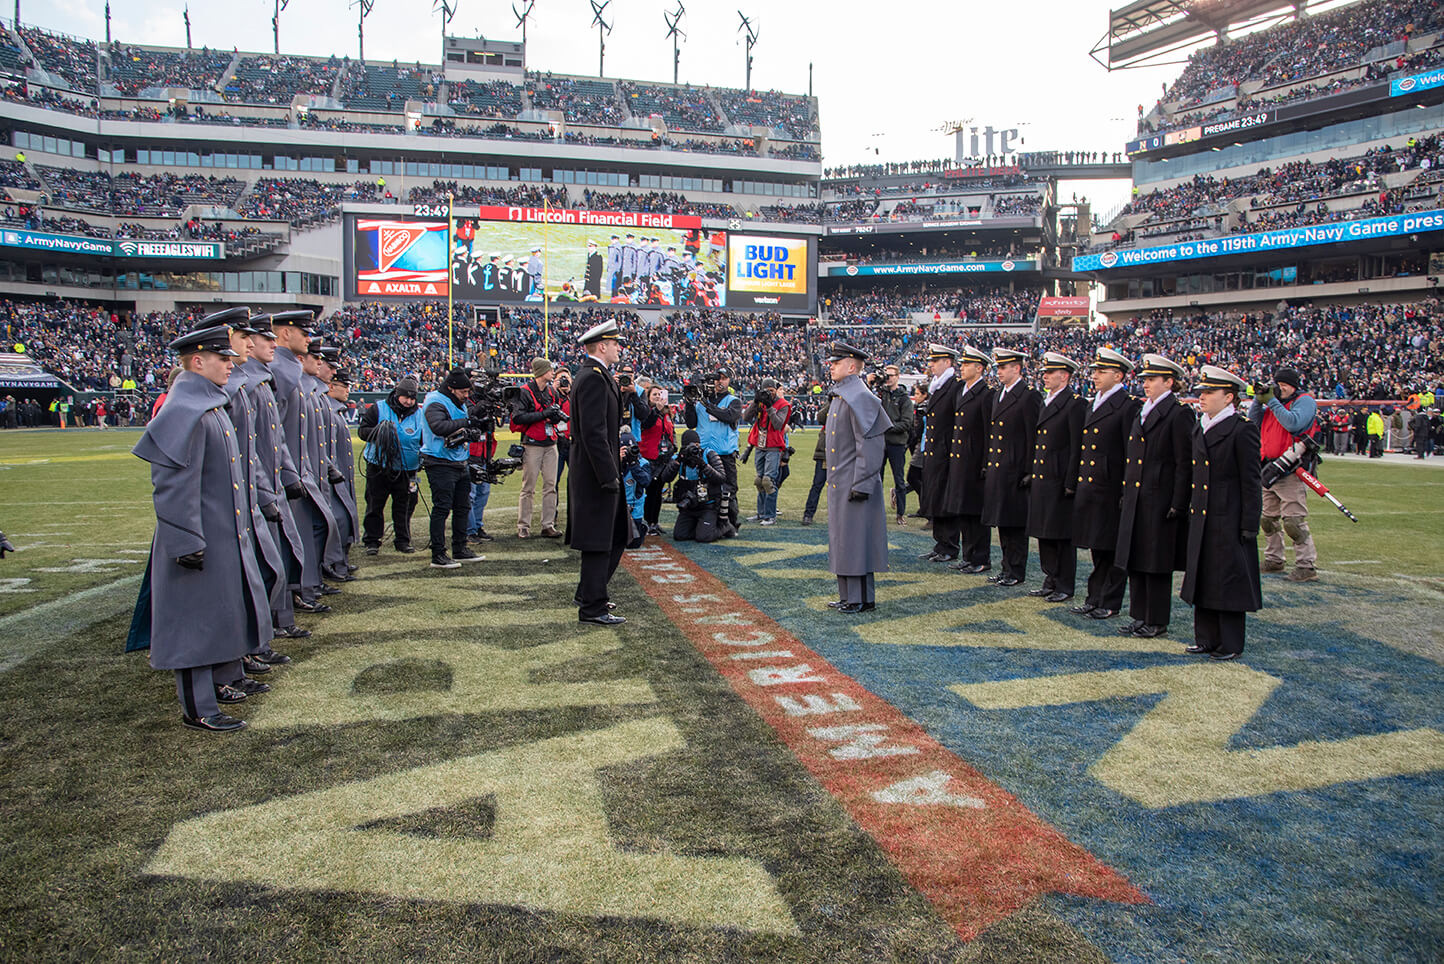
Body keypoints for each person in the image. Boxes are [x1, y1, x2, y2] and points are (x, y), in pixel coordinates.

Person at [129, 323, 270, 733]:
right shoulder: (183, 411)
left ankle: (222, 681)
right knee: (194, 622)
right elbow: (172, 483)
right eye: (222, 359)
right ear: (197, 361)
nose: (230, 365)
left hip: (222, 533)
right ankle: (198, 707)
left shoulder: (208, 405)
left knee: (222, 612)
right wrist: (186, 540)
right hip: (199, 538)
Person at [1181, 366, 1262, 660]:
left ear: (1229, 397)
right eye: (1201, 392)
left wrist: (1249, 523)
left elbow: (1251, 481)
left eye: (1209, 392)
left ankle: (1229, 642)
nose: (1201, 397)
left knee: (1227, 579)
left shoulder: (1242, 430)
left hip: (1229, 516)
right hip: (1203, 514)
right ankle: (1205, 638)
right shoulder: (1200, 425)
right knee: (1203, 576)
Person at [1115, 354, 1192, 639]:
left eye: (1152, 379)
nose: (1146, 384)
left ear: (1169, 382)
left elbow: (1184, 463)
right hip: (1138, 494)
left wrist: (1178, 502)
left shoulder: (1178, 412)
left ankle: (1156, 619)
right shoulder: (1143, 409)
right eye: (1145, 379)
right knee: (1136, 557)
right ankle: (1139, 615)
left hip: (1161, 498)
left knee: (1156, 561)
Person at [270, 311, 340, 615]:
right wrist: (290, 472)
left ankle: (304, 589)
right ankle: (294, 598)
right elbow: (275, 433)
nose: (308, 339)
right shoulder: (281, 373)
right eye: (304, 332)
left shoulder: (291, 375)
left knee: (307, 533)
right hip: (286, 476)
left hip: (301, 471)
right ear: (286, 333)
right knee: (290, 540)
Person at [566, 319, 630, 626]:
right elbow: (594, 433)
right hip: (596, 475)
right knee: (600, 540)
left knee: (618, 534)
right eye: (615, 343)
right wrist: (608, 475)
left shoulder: (597, 375)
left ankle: (590, 592)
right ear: (602, 346)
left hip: (598, 471)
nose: (619, 348)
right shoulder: (592, 378)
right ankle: (592, 606)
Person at [1070, 347, 1141, 622]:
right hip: (1092, 486)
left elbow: (1129, 452)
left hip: (1110, 487)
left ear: (1118, 375)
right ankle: (1094, 597)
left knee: (1111, 548)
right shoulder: (1094, 402)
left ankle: (1109, 601)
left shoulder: (1127, 405)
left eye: (1101, 371)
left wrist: (1125, 489)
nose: (1095, 375)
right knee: (1097, 547)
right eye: (1094, 371)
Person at [823, 341, 892, 613]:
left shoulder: (859, 396)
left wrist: (862, 482)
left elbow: (871, 444)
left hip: (854, 481)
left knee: (854, 541)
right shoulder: (844, 394)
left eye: (836, 363)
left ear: (852, 366)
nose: (831, 366)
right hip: (843, 480)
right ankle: (848, 595)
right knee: (844, 540)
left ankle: (859, 598)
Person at [1250, 366, 1319, 581]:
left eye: (1285, 385)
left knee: (1293, 521)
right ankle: (1274, 559)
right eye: (1278, 385)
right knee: (1268, 519)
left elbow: (1294, 424)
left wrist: (1271, 401)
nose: (1281, 389)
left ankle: (1306, 566)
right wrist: (1258, 399)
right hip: (1268, 468)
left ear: (1294, 385)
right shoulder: (1275, 402)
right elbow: (1253, 422)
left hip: (1291, 468)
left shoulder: (1305, 401)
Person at [1026, 352, 1086, 603]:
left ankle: (1064, 584)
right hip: (1044, 476)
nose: (1045, 377)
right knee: (1045, 533)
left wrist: (1071, 482)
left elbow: (1076, 446)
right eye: (1044, 373)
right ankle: (1050, 579)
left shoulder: (1074, 404)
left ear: (1065, 376)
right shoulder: (1047, 401)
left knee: (1061, 536)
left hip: (1060, 479)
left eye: (1050, 373)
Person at [980, 348, 1041, 587]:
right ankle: (1006, 568)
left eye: (1004, 368)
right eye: (998, 368)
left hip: (1015, 470)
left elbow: (1032, 436)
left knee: (1015, 524)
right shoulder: (999, 395)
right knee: (1002, 522)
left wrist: (1028, 470)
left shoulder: (1028, 396)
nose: (1000, 372)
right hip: (999, 468)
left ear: (1017, 368)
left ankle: (1016, 570)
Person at [419, 367, 483, 569]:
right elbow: (438, 427)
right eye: (463, 392)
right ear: (451, 388)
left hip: (458, 460)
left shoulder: (456, 402)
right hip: (439, 461)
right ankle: (438, 553)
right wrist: (468, 421)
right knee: (442, 508)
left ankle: (460, 547)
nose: (466, 396)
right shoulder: (435, 401)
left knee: (463, 507)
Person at [357, 375, 423, 555]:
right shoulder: (379, 409)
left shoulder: (420, 414)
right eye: (406, 397)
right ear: (397, 394)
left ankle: (402, 540)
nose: (409, 401)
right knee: (375, 504)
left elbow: (425, 439)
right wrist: (379, 432)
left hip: (407, 468)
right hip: (379, 466)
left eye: (412, 398)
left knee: (404, 506)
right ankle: (372, 540)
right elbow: (362, 431)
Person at [946, 345, 996, 575]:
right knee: (963, 511)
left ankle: (981, 557)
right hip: (960, 461)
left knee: (976, 513)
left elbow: (988, 432)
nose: (962, 368)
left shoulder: (986, 394)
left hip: (975, 461)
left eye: (967, 365)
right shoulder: (962, 391)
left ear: (979, 368)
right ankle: (968, 555)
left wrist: (986, 463)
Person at [684, 368, 742, 531]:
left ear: (729, 381)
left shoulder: (733, 401)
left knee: (728, 490)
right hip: (703, 454)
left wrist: (706, 404)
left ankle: (731, 523)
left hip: (725, 454)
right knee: (702, 488)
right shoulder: (700, 401)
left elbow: (729, 416)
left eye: (724, 378)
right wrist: (689, 403)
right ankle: (707, 522)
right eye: (717, 379)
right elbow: (690, 423)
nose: (719, 382)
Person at [511, 357, 563, 539]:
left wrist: (555, 417)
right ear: (541, 372)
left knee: (551, 485)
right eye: (550, 370)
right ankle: (523, 525)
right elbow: (518, 417)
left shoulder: (551, 391)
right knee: (529, 486)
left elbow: (552, 415)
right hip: (532, 443)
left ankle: (547, 524)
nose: (553, 373)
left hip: (550, 442)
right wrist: (544, 414)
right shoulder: (524, 392)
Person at [918, 345, 961, 561]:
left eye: (936, 361)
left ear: (948, 362)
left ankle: (950, 545)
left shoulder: (954, 387)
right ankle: (940, 543)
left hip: (945, 451)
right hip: (935, 451)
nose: (931, 365)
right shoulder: (937, 386)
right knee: (936, 497)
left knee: (945, 499)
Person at [662, 429, 732, 542]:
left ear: (698, 445)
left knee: (704, 537)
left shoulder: (709, 454)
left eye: (693, 447)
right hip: (688, 506)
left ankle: (724, 527)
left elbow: (721, 478)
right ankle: (699, 526)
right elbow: (666, 478)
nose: (691, 452)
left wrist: (703, 465)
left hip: (707, 505)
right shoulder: (679, 459)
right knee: (680, 536)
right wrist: (678, 460)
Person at [742, 378, 790, 526]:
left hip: (774, 446)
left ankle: (770, 515)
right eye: (766, 390)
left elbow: (778, 425)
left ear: (775, 389)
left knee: (768, 481)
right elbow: (746, 417)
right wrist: (755, 402)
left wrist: (769, 407)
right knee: (759, 481)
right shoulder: (760, 402)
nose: (769, 393)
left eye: (771, 390)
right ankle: (761, 513)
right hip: (760, 445)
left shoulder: (784, 405)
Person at [876, 364, 914, 525]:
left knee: (899, 479)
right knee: (877, 478)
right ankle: (876, 511)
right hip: (881, 442)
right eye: (887, 375)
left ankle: (900, 513)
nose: (888, 378)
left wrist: (887, 426)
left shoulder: (904, 398)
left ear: (898, 377)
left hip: (896, 443)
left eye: (891, 375)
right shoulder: (881, 394)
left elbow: (907, 423)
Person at [636, 384, 676, 535]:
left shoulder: (666, 414)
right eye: (655, 395)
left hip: (663, 459)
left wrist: (674, 448)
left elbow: (670, 433)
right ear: (648, 398)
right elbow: (646, 425)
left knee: (658, 491)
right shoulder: (646, 412)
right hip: (649, 457)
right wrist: (656, 409)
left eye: (660, 394)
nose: (658, 397)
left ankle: (654, 522)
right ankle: (646, 521)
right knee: (649, 491)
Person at [802, 393, 832, 526]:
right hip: (825, 451)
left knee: (842, 487)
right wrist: (831, 402)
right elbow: (820, 418)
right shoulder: (831, 402)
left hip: (843, 452)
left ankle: (841, 515)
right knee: (817, 484)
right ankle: (808, 514)